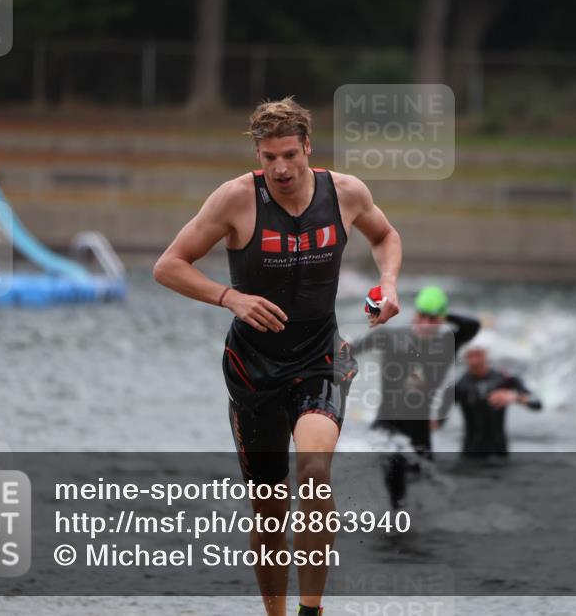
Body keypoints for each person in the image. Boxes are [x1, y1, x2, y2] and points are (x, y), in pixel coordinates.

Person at [154, 97, 402, 616]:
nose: (280, 169)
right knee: (269, 510)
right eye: (268, 158)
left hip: (320, 358)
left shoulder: (346, 193)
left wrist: (388, 282)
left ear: (308, 147)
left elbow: (385, 236)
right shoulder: (234, 200)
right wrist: (230, 297)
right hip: (254, 369)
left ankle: (312, 610)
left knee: (313, 468)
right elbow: (169, 265)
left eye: (289, 154)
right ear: (258, 155)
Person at [352, 285, 479, 508]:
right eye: (422, 316)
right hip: (388, 424)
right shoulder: (389, 336)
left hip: (419, 427)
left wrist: (443, 314)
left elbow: (473, 325)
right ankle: (391, 530)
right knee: (396, 490)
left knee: (426, 488)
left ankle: (412, 535)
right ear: (414, 314)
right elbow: (348, 351)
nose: (426, 324)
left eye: (433, 319)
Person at [449, 343, 542, 459]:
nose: (474, 358)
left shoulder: (505, 379)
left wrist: (515, 397)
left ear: (486, 354)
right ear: (465, 357)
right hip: (470, 452)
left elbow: (537, 403)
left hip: (499, 452)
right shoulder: (459, 385)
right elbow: (437, 419)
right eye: (470, 354)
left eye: (478, 353)